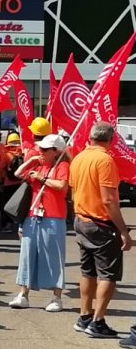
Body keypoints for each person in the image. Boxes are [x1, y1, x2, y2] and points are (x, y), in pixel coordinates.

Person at [69, 122, 132, 338]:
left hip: (81, 219)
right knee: (108, 274)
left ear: (91, 137)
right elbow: (108, 200)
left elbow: (74, 191)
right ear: (111, 140)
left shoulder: (78, 157)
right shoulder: (104, 160)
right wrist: (123, 231)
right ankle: (97, 321)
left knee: (88, 271)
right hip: (100, 224)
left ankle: (84, 316)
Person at [8, 135, 69, 312]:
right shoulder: (39, 164)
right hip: (33, 215)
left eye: (44, 150)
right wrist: (33, 159)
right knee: (27, 255)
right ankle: (23, 294)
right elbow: (17, 173)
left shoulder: (62, 166)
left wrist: (42, 178)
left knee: (54, 256)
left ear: (55, 152)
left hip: (54, 216)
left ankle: (57, 297)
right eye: (40, 149)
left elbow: (62, 186)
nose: (40, 152)